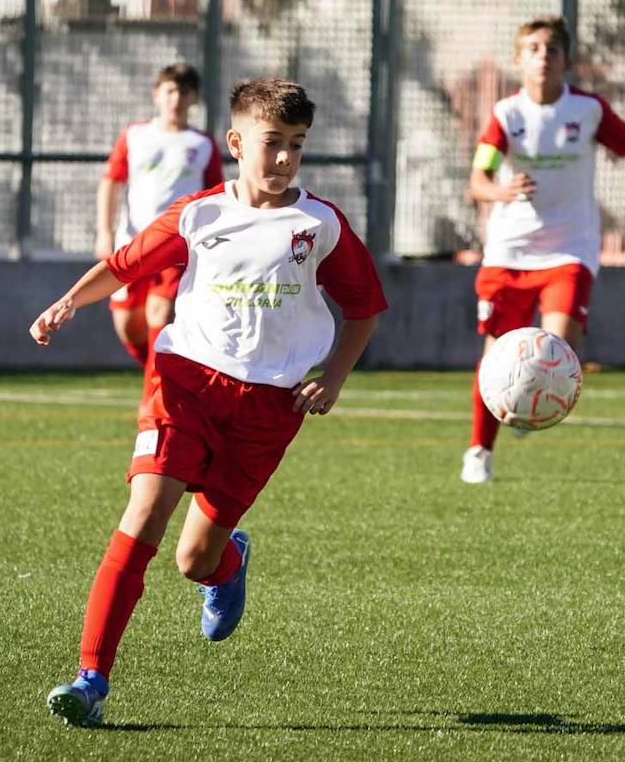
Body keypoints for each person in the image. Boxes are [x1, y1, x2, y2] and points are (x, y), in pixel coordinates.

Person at [31, 78, 388, 726]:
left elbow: (364, 308)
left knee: (194, 559)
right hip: (184, 378)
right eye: (272, 143)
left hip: (270, 406)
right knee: (145, 510)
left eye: (297, 146)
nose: (284, 159)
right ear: (235, 141)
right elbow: (126, 263)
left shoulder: (320, 225)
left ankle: (230, 564)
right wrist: (67, 302)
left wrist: (333, 377)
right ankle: (90, 679)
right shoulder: (200, 214)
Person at [461, 16, 625, 484]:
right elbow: (479, 178)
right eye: (533, 48)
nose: (543, 56)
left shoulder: (588, 111)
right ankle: (479, 451)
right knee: (497, 355)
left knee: (560, 345)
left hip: (569, 248)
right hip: (509, 251)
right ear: (518, 59)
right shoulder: (507, 115)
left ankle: (527, 400)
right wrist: (500, 193)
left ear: (566, 59)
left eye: (552, 48)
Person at [96, 63, 225, 388]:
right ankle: (166, 376)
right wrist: (105, 231)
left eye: (184, 91)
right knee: (128, 325)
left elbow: (215, 196)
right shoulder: (135, 135)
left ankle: (158, 396)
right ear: (156, 95)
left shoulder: (202, 144)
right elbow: (111, 182)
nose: (176, 98)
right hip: (133, 243)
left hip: (178, 247)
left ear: (194, 98)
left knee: (161, 315)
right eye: (170, 90)